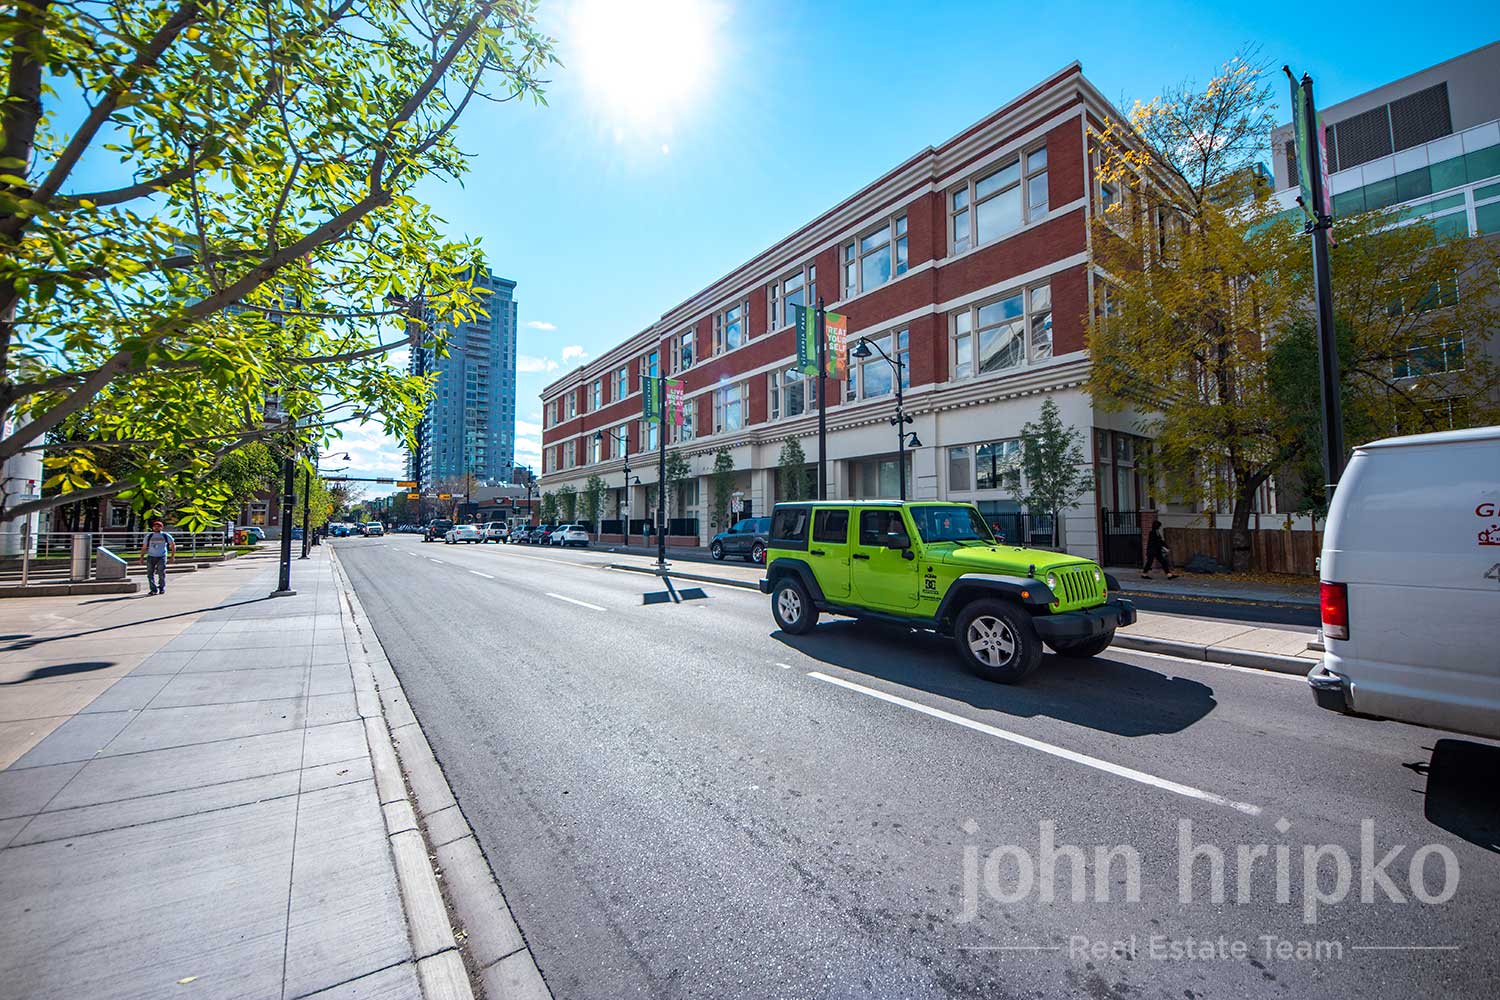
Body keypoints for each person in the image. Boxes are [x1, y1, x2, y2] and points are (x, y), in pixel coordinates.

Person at [140, 518, 176, 595]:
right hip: (151, 556)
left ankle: (161, 587)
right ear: (153, 527)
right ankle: (153, 589)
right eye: (155, 526)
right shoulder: (149, 536)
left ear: (161, 528)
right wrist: (142, 557)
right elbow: (144, 547)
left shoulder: (165, 535)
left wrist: (172, 556)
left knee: (161, 573)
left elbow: (173, 545)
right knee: (150, 574)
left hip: (161, 556)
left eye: (158, 526)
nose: (156, 528)